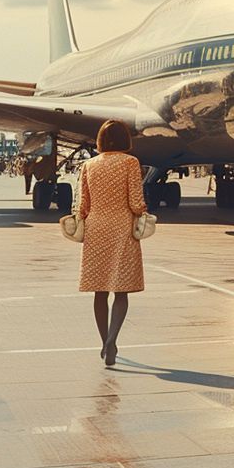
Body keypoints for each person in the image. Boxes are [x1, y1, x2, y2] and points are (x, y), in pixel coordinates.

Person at [76, 120, 147, 366]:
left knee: (100, 290)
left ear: (101, 140)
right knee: (121, 289)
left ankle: (104, 341)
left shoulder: (89, 165)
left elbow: (82, 204)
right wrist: (143, 212)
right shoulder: (130, 163)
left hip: (96, 227)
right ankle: (113, 340)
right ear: (125, 139)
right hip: (122, 228)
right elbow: (136, 202)